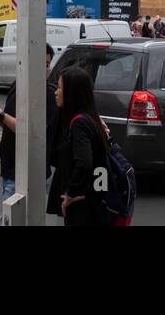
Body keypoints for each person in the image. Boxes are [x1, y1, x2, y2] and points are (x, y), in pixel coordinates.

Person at [0, 44, 58, 214]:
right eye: (42, 64)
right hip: (10, 170)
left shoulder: (48, 95)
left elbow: (30, 132)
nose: (46, 69)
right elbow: (10, 126)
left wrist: (0, 114)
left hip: (29, 174)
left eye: (47, 64)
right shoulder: (18, 86)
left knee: (11, 219)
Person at [48, 67, 113, 226]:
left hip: (82, 208)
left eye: (60, 87)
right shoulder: (91, 119)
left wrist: (71, 193)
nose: (56, 92)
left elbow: (84, 162)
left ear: (72, 93)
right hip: (94, 203)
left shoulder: (79, 123)